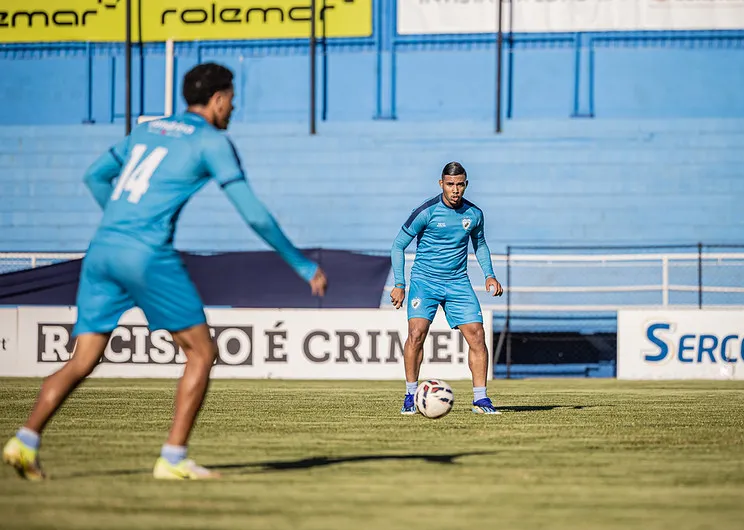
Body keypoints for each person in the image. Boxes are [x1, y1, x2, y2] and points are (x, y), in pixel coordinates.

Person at [2, 62, 327, 481]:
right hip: (146, 254)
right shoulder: (211, 141)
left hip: (102, 250)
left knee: (82, 359)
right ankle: (173, 458)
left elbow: (95, 175)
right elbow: (255, 215)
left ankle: (24, 440)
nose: (233, 108)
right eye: (231, 100)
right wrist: (302, 264)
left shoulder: (147, 129)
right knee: (202, 353)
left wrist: (123, 220)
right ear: (218, 99)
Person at [390, 162, 502, 415]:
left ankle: (481, 399)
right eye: (450, 184)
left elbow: (480, 245)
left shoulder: (474, 214)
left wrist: (490, 275)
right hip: (424, 281)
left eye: (460, 184)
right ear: (441, 184)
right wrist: (399, 284)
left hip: (457, 282)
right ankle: (410, 395)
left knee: (477, 335)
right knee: (416, 334)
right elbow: (398, 246)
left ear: (466, 185)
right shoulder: (426, 212)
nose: (455, 190)